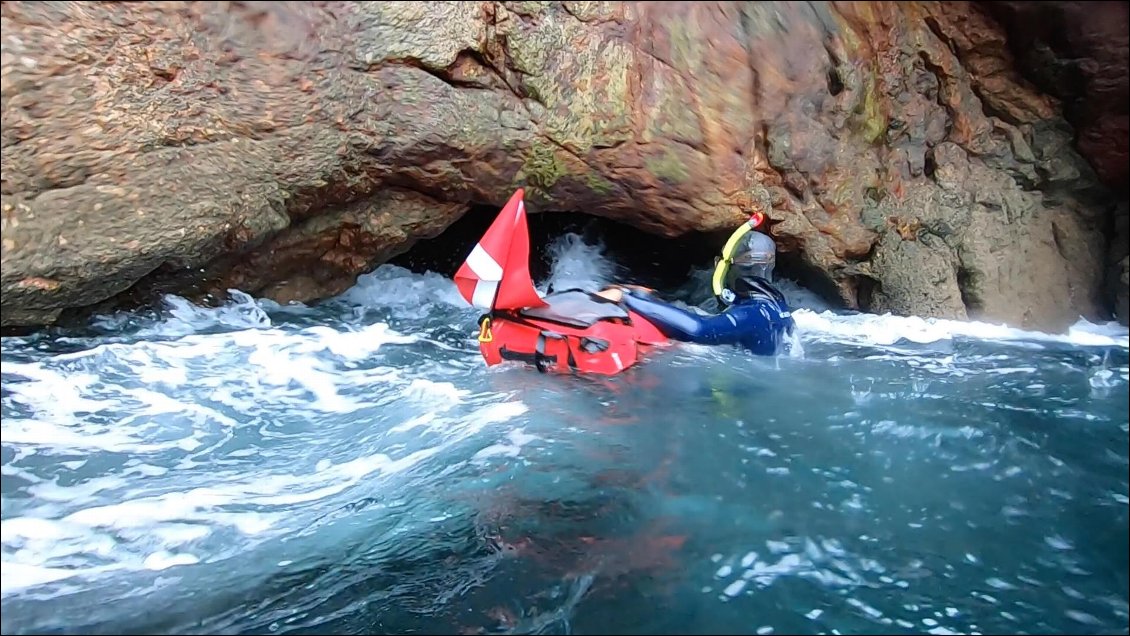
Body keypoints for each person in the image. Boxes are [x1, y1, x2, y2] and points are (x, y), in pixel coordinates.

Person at [595, 214, 796, 357]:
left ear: (733, 267)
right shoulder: (777, 305)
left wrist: (626, 299)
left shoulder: (751, 314)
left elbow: (698, 329)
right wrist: (645, 297)